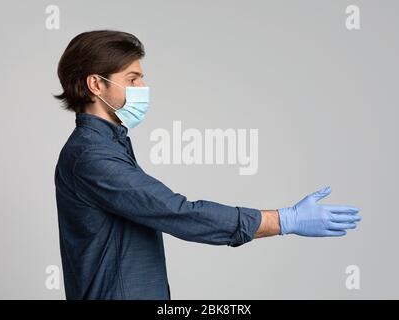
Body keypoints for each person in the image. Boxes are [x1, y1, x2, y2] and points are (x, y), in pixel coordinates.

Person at [54, 30, 362, 300]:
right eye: (132, 79)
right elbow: (176, 212)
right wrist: (283, 220)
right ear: (96, 84)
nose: (143, 87)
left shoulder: (111, 143)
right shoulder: (92, 156)